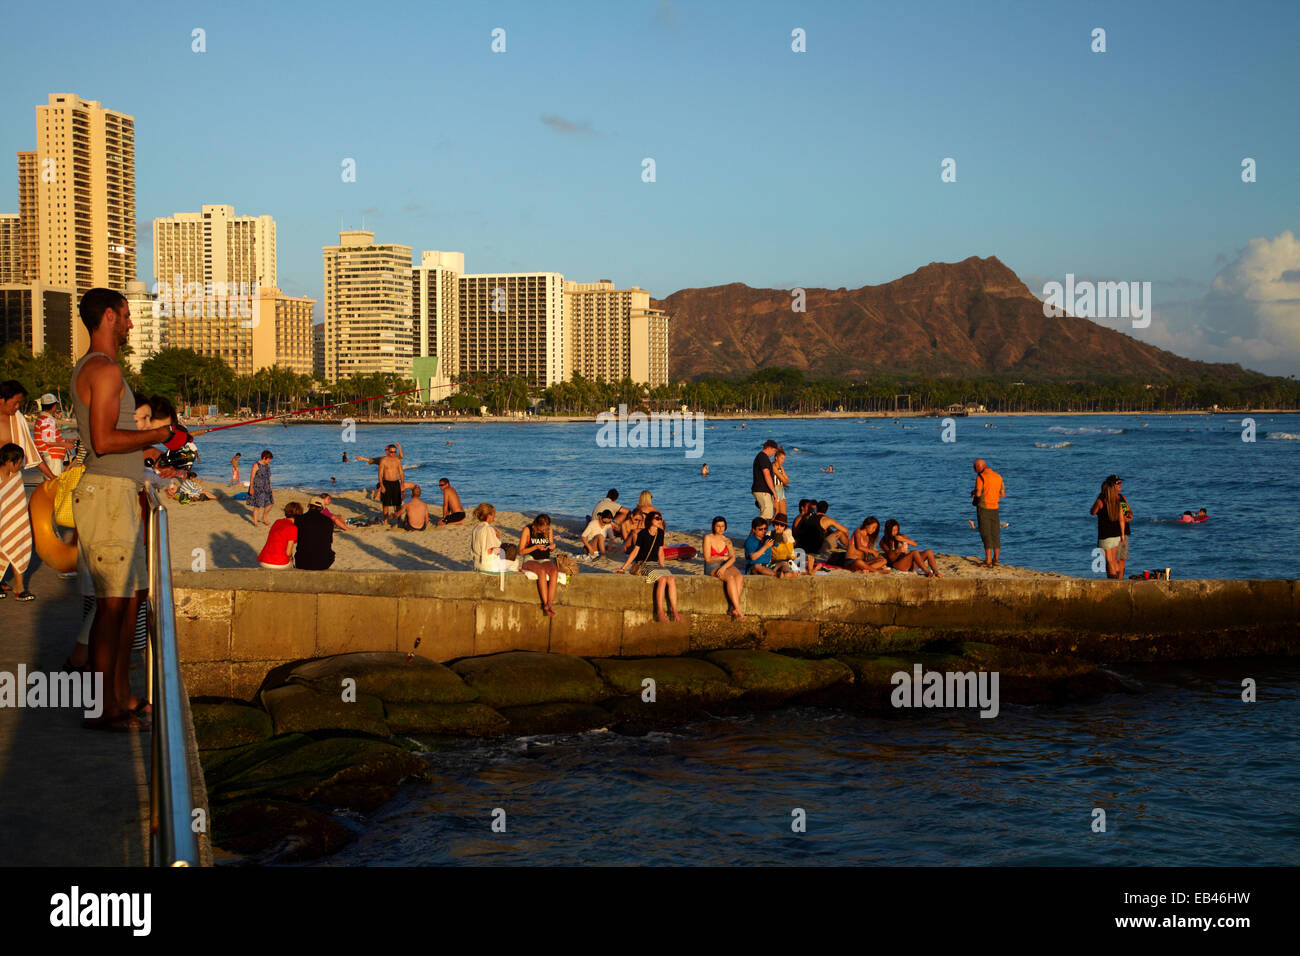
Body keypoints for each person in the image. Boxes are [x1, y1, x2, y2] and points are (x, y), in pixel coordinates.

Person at [70, 288, 176, 730]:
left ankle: (120, 696)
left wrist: (151, 449)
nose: (132, 325)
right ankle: (100, 708)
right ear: (110, 317)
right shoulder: (104, 370)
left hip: (119, 492)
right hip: (107, 496)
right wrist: (158, 436)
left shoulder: (103, 369)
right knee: (111, 607)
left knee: (129, 602)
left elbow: (114, 441)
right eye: (128, 317)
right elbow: (103, 441)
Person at [617, 511, 680, 622]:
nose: (660, 520)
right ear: (651, 520)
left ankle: (674, 611)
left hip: (655, 564)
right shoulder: (642, 534)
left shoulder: (660, 533)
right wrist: (623, 567)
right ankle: (660, 611)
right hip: (643, 563)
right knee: (662, 579)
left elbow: (660, 552)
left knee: (671, 578)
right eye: (657, 518)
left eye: (660, 518)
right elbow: (635, 552)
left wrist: (662, 567)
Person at [0, 381, 57, 482]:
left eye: (19, 403)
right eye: (15, 403)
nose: (17, 406)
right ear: (2, 399)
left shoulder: (17, 419)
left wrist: (52, 477)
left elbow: (31, 451)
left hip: (13, 480)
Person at [0, 443, 35, 600]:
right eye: (19, 462)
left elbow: (18, 501)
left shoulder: (17, 476)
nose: (20, 466)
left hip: (17, 519)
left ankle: (20, 588)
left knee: (18, 546)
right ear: (9, 461)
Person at [701, 515, 744, 619]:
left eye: (722, 526)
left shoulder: (727, 540)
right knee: (730, 578)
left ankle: (732, 606)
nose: (720, 528)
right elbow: (707, 558)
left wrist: (724, 566)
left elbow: (733, 558)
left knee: (739, 577)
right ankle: (738, 609)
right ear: (713, 527)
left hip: (725, 565)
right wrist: (722, 558)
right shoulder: (708, 537)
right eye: (718, 526)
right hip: (712, 566)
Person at [520, 513, 559, 617]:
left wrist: (552, 546)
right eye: (541, 530)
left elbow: (551, 544)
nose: (543, 531)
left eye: (545, 529)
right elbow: (521, 551)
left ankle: (550, 603)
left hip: (544, 558)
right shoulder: (527, 530)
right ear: (536, 525)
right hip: (530, 558)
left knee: (554, 571)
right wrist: (536, 547)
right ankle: (546, 604)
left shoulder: (549, 529)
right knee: (541, 571)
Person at [971, 458, 1005, 567]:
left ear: (979, 467)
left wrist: (974, 495)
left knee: (986, 533)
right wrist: (992, 496)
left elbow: (978, 494)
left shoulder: (981, 477)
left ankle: (988, 560)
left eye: (975, 467)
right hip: (995, 507)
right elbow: (1002, 494)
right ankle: (996, 559)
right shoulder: (998, 476)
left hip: (984, 508)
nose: (974, 470)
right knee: (995, 533)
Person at [1090, 477, 1124, 579]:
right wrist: (1122, 535)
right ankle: (1118, 578)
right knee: (1114, 560)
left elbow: (1092, 512)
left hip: (1105, 535)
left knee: (1109, 561)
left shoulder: (1101, 501)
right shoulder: (1117, 501)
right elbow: (1121, 519)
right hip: (1116, 533)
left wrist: (1098, 498)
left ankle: (1113, 580)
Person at [34, 394, 74, 477]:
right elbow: (49, 442)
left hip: (48, 455)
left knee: (49, 485)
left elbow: (48, 439)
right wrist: (66, 445)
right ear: (53, 406)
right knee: (54, 484)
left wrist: (65, 441)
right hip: (52, 456)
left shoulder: (41, 418)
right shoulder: (47, 420)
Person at [293, 496, 336, 570]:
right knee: (331, 554)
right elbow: (330, 541)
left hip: (302, 562)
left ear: (308, 506)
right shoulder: (329, 521)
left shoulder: (299, 519)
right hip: (323, 563)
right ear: (322, 509)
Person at [258, 501, 302, 569]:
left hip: (264, 559)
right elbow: (288, 552)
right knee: (292, 565)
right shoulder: (293, 528)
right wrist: (291, 557)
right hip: (278, 562)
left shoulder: (277, 522)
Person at [377, 443, 405, 521]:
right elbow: (379, 474)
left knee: (397, 503)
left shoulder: (397, 460)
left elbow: (401, 472)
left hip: (396, 482)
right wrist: (382, 485)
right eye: (391, 452)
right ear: (388, 451)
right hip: (386, 483)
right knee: (386, 504)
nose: (393, 454)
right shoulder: (383, 460)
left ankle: (399, 519)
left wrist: (402, 483)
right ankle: (385, 520)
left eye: (394, 452)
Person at [751, 439, 778, 520]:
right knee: (767, 515)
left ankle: (757, 531)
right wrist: (774, 492)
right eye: (774, 451)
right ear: (769, 448)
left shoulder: (761, 457)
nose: (774, 453)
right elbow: (767, 475)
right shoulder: (763, 457)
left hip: (761, 490)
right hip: (762, 490)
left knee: (766, 514)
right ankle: (759, 531)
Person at [1113, 476, 1133, 578]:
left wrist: (1129, 516)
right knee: (1114, 559)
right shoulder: (1110, 499)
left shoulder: (1122, 497)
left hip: (1125, 530)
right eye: (1118, 483)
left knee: (1122, 558)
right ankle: (1115, 580)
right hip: (1115, 531)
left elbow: (1129, 510)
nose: (1120, 485)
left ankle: (1121, 580)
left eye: (1121, 483)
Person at [248, 449, 274, 526]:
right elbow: (252, 477)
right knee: (257, 506)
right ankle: (255, 522)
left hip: (266, 486)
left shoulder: (267, 465)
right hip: (258, 488)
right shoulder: (256, 465)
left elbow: (268, 477)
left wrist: (271, 487)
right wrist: (251, 488)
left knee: (270, 503)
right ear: (264, 457)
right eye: (269, 459)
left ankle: (264, 517)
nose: (270, 461)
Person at [772, 446, 791, 522]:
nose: (783, 461)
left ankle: (782, 531)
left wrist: (785, 480)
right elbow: (784, 479)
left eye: (784, 459)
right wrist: (784, 480)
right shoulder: (773, 466)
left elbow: (787, 480)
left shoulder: (781, 467)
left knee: (784, 514)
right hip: (775, 490)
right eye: (782, 458)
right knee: (776, 514)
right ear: (776, 457)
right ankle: (764, 526)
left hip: (781, 490)